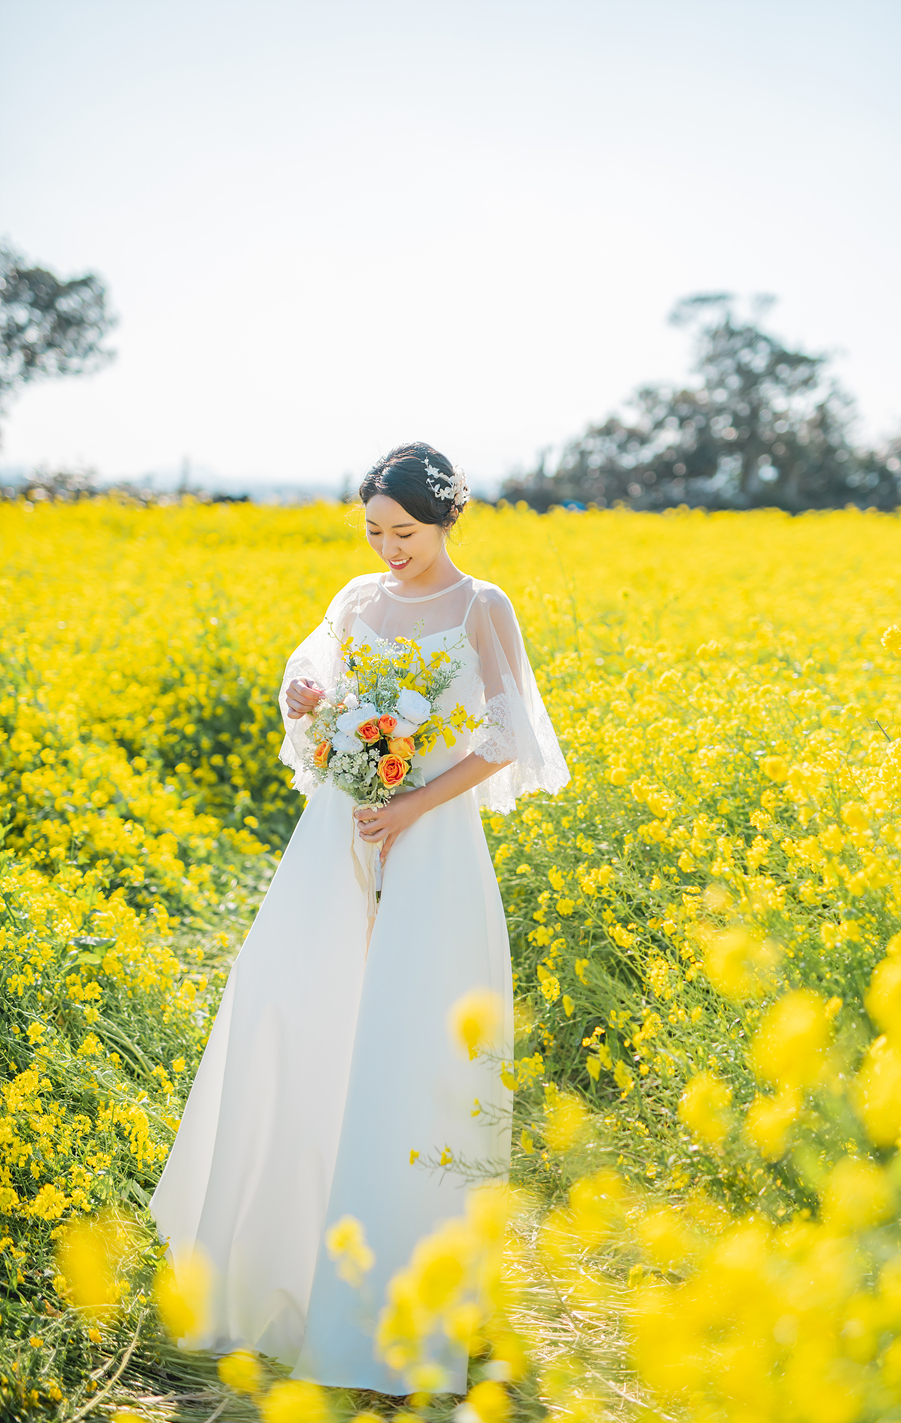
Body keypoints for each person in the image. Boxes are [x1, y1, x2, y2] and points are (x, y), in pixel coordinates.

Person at [150, 442, 569, 1394]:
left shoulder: (481, 605)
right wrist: (308, 703)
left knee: (409, 1050)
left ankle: (398, 1304)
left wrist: (411, 805)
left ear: (447, 518)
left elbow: (509, 735)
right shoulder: (354, 599)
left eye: (404, 531)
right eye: (375, 530)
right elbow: (318, 698)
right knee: (296, 1013)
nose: (388, 548)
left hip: (431, 841)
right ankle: (279, 1271)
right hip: (339, 834)